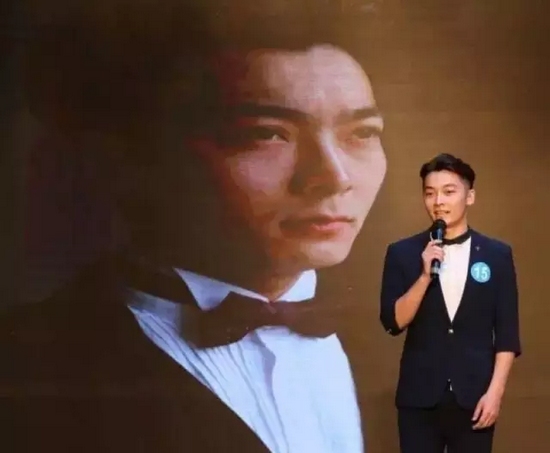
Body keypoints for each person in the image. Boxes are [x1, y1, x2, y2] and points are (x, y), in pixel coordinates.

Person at [2, 2, 386, 452]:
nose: (335, 177)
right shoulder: (26, 367)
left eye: (361, 133)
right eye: (266, 134)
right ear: (136, 155)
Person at [380, 153, 521, 453]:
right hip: (419, 399)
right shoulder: (403, 252)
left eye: (448, 192)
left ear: (469, 196)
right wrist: (424, 277)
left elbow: (507, 335)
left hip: (474, 398)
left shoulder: (496, 255)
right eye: (430, 193)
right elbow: (393, 322)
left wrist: (495, 394)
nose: (438, 202)